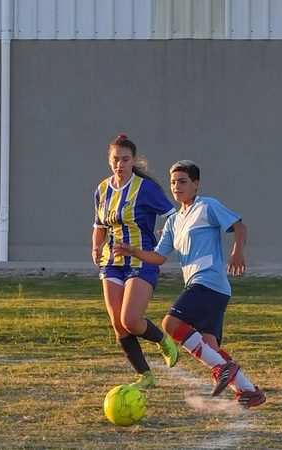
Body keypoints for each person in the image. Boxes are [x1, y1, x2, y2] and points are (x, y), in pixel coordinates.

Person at [115, 160, 265, 408]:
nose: (177, 186)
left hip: (209, 282)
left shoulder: (207, 206)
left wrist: (237, 252)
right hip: (203, 287)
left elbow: (240, 226)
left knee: (171, 324)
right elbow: (159, 256)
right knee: (209, 346)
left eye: (183, 181)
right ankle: (249, 391)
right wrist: (133, 251)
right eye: (173, 182)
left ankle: (222, 368)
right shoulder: (173, 221)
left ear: (196, 184)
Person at [92, 135, 179, 389]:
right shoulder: (102, 189)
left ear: (133, 161)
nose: (120, 164)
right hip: (112, 262)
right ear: (109, 160)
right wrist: (96, 246)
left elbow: (173, 216)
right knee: (118, 324)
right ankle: (145, 376)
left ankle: (163, 340)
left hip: (141, 260)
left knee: (130, 319)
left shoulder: (145, 188)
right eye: (115, 159)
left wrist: (166, 236)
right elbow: (99, 225)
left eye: (125, 159)